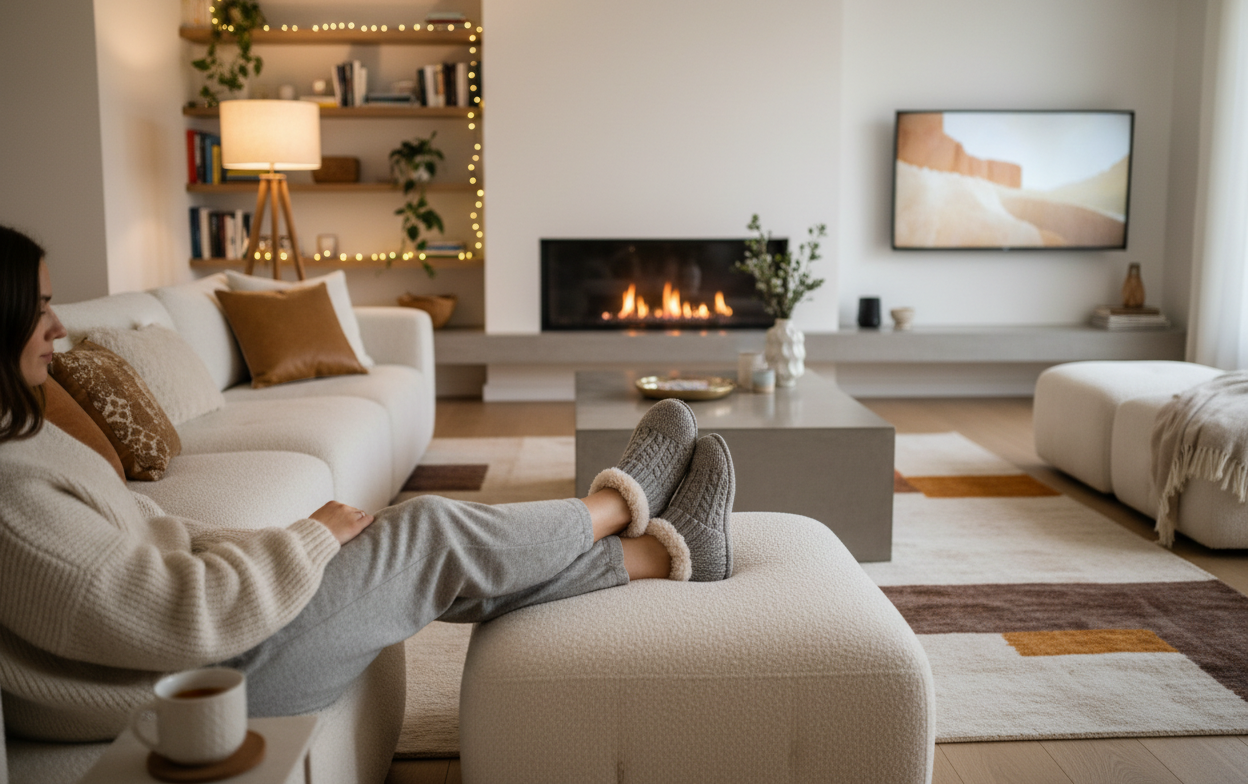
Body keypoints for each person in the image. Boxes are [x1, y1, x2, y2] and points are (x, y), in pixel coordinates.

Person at [0, 224, 736, 742]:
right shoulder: (11, 499)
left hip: (216, 648)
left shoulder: (24, 443)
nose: (59, 328)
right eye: (38, 308)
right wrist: (312, 538)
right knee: (430, 529)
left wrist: (290, 544)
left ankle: (664, 555)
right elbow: (175, 617)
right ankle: (617, 503)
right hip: (206, 682)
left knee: (429, 554)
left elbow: (155, 535)